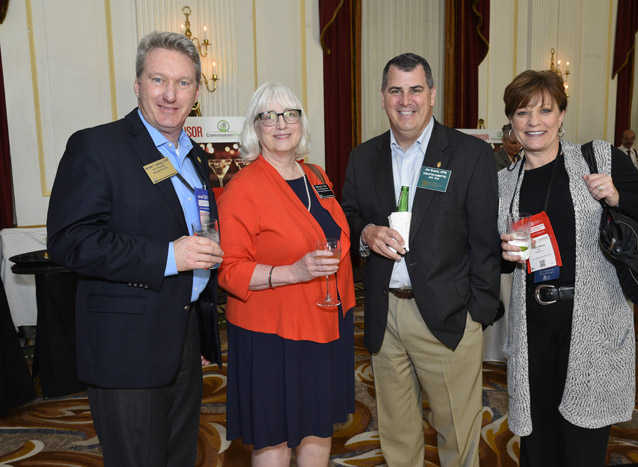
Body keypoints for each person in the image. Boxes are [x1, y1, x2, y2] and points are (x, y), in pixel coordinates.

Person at [46, 31, 223, 466]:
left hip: (181, 339)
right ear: (138, 84)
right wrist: (168, 256)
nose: (170, 94)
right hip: (125, 349)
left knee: (180, 455)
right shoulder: (98, 146)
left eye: (183, 83)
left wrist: (198, 329)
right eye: (158, 79)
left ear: (196, 92)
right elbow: (70, 241)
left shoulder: (196, 158)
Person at [498, 70, 638, 466]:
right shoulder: (505, 183)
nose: (534, 121)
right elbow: (497, 256)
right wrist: (503, 252)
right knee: (537, 443)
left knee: (582, 445)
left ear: (561, 115)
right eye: (523, 113)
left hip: (594, 326)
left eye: (545, 110)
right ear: (512, 121)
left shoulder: (598, 159)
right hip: (533, 329)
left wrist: (617, 195)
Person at [342, 52, 501, 467]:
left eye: (415, 90)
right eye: (396, 90)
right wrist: (367, 232)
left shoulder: (470, 155)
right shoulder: (363, 156)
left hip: (449, 315)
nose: (405, 100)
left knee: (457, 432)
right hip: (385, 313)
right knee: (397, 431)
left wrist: (477, 314)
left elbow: (484, 241)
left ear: (432, 95)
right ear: (383, 98)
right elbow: (349, 214)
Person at [217, 82, 356, 466]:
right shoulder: (242, 189)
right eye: (269, 116)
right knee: (275, 437)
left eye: (290, 114)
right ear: (254, 127)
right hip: (272, 334)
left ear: (301, 122)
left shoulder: (317, 176)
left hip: (327, 324)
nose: (281, 124)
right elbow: (230, 271)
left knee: (318, 427)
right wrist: (292, 272)